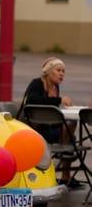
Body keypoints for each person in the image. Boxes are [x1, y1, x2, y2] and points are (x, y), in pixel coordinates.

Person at [18, 57, 79, 187]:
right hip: (34, 130)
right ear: (48, 71)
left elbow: (52, 112)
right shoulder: (37, 83)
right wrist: (59, 100)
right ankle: (64, 173)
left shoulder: (55, 87)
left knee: (71, 128)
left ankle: (64, 175)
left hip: (48, 127)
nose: (62, 73)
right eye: (58, 70)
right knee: (70, 138)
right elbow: (33, 101)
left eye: (63, 71)